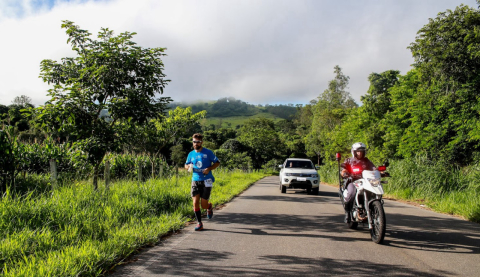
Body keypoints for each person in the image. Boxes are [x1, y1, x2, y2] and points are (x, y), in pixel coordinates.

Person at [184, 133, 220, 231]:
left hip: (206, 180)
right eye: (194, 142)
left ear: (201, 142)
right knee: (195, 202)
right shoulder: (191, 154)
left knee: (203, 205)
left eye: (198, 142)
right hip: (195, 180)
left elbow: (217, 162)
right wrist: (188, 167)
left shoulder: (208, 152)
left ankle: (209, 206)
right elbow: (186, 164)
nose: (196, 144)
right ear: (192, 142)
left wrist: (209, 168)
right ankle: (199, 223)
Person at [340, 142, 375, 223]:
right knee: (351, 193)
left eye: (362, 151)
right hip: (353, 181)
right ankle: (348, 213)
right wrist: (344, 173)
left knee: (373, 193)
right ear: (354, 152)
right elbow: (344, 169)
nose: (360, 153)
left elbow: (373, 168)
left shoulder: (367, 161)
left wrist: (379, 172)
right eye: (358, 151)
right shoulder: (349, 160)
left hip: (365, 181)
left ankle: (374, 209)